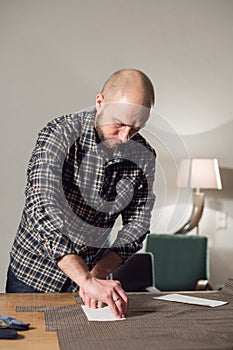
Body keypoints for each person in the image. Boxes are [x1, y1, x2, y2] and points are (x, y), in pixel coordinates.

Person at [6, 68, 156, 318]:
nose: (125, 137)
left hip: (91, 280)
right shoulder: (59, 134)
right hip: (33, 275)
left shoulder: (143, 156)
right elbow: (43, 209)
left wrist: (96, 275)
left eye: (136, 128)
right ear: (100, 103)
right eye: (119, 124)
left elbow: (137, 227)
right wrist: (85, 278)